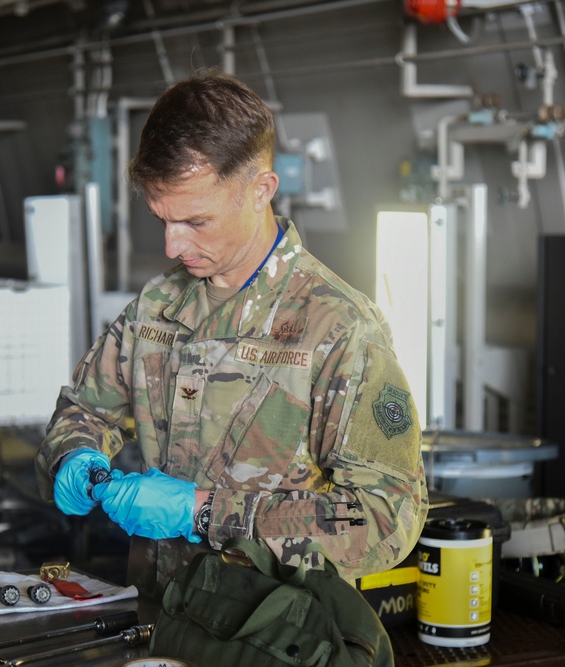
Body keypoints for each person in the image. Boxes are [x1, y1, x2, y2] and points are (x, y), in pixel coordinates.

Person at [36, 71, 428, 598]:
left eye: (196, 221)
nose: (173, 245)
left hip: (277, 634)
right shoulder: (157, 306)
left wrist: (203, 512)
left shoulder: (336, 327)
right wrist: (76, 453)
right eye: (162, 219)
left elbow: (386, 517)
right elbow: (84, 410)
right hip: (162, 617)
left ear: (260, 189)